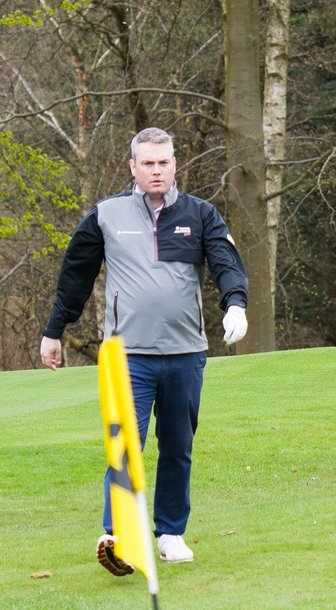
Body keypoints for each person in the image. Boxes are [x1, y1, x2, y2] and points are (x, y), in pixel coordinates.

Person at [40, 127, 250, 574]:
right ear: (132, 166)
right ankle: (118, 536)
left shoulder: (201, 213)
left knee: (177, 444)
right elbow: (75, 276)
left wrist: (236, 304)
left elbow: (226, 263)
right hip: (126, 356)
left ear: (175, 165)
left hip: (185, 352)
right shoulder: (107, 214)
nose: (157, 170)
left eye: (165, 162)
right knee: (124, 445)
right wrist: (54, 330)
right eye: (148, 163)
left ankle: (170, 532)